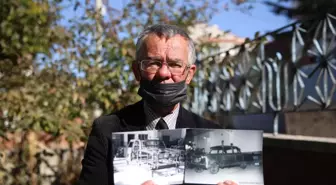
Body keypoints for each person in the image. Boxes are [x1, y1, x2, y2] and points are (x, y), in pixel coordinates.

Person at [78, 24, 237, 185]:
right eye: (153, 63)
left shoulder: (212, 134)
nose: (164, 73)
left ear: (189, 74)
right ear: (136, 71)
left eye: (175, 65)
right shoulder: (106, 130)